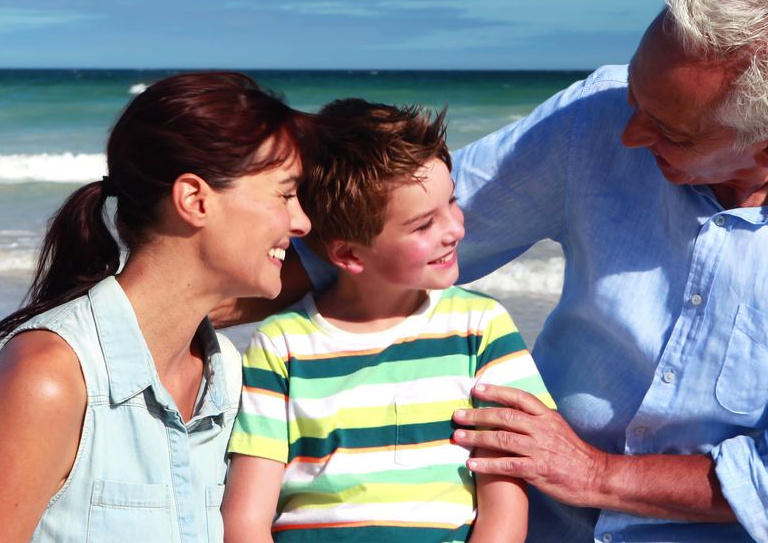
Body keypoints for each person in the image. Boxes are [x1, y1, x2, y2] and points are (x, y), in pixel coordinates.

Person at [287, 0, 768, 541]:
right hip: (530, 527)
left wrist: (596, 473)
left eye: (670, 130)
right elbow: (380, 237)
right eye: (635, 98)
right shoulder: (594, 116)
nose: (629, 133)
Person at [0, 72, 312, 543]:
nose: (302, 221)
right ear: (195, 199)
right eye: (285, 193)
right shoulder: (49, 377)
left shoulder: (229, 378)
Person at [221, 99, 556, 542]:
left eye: (451, 202)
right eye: (423, 225)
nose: (454, 229)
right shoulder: (281, 345)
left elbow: (505, 503)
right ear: (347, 254)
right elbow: (246, 519)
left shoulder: (481, 329)